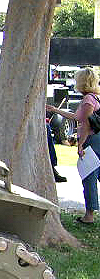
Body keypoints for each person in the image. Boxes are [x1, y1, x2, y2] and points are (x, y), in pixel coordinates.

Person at [47, 67, 100, 224]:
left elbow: (86, 123)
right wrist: (56, 110)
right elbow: (78, 117)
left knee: (89, 177)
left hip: (92, 141)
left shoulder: (88, 99)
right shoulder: (95, 98)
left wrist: (80, 144)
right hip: (97, 140)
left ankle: (89, 216)